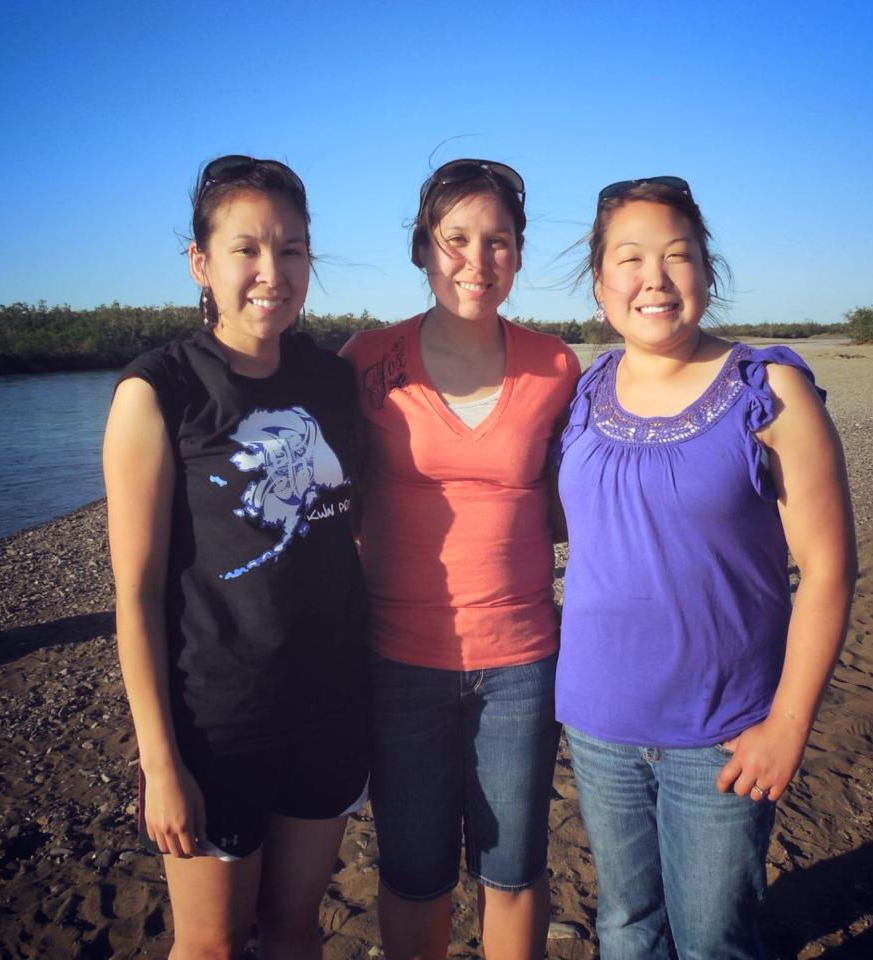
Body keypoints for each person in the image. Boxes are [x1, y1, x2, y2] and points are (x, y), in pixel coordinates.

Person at [555, 176, 857, 959]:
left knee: (713, 939)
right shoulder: (581, 396)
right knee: (625, 923)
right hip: (597, 723)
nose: (652, 278)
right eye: (629, 259)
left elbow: (827, 570)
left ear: (706, 273)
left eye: (676, 256)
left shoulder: (768, 389)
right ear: (599, 285)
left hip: (725, 734)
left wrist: (786, 728)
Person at [103, 155, 370, 960]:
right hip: (218, 723)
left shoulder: (333, 380)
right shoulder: (159, 392)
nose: (270, 272)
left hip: (330, 708)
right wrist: (160, 763)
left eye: (291, 250)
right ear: (201, 262)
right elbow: (136, 596)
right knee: (213, 944)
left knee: (294, 928)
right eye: (246, 249)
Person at [340, 158, 580, 960]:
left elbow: (573, 498)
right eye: (455, 240)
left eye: (498, 242)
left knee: (512, 869)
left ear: (516, 254)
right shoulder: (364, 361)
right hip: (398, 660)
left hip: (520, 663)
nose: (476, 262)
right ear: (421, 249)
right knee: (413, 870)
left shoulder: (555, 366)